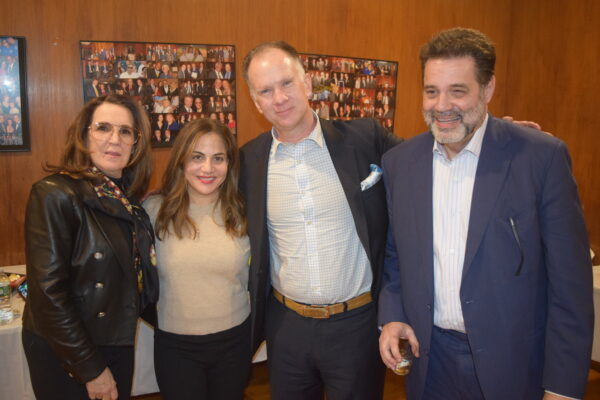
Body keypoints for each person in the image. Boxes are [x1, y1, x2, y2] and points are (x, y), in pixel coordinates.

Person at [378, 27, 593, 400]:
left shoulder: (540, 158)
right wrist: (393, 314)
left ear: (488, 89)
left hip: (515, 367)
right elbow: (397, 257)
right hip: (430, 363)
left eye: (458, 91)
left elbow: (570, 289)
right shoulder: (400, 163)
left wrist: (562, 388)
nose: (442, 105)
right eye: (432, 91)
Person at [239, 40, 400, 400]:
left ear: (307, 84)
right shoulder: (249, 161)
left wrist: (482, 134)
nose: (279, 98)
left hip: (356, 326)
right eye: (266, 90)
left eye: (286, 83)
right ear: (256, 101)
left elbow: (425, 163)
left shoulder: (365, 138)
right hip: (287, 328)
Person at [22, 94, 158, 400]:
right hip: (69, 350)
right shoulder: (55, 193)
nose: (115, 139)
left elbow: (138, 280)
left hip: (116, 340)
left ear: (136, 143)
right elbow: (48, 295)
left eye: (126, 131)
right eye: (103, 128)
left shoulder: (129, 203)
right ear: (84, 135)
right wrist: (90, 368)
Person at [143, 118, 251, 399]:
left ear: (229, 164)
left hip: (235, 342)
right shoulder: (153, 210)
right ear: (181, 161)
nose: (207, 168)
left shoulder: (244, 210)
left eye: (218, 158)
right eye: (197, 157)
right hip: (176, 347)